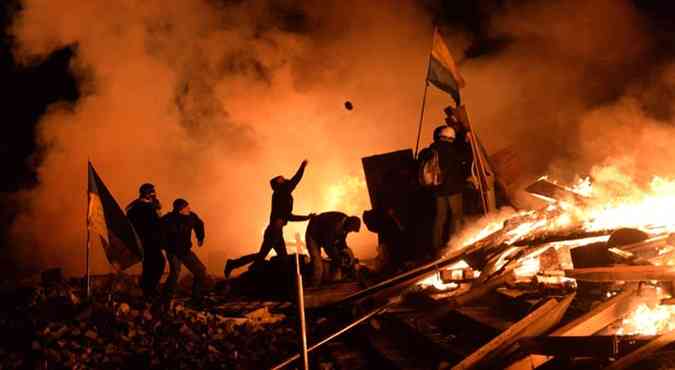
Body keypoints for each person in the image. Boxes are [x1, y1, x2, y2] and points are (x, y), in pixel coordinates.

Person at [224, 160, 313, 278]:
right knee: (262, 256)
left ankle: (280, 282)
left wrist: (306, 217)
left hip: (276, 231)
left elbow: (288, 216)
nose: (285, 178)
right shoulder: (282, 192)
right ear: (279, 184)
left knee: (282, 259)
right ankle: (233, 264)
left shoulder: (282, 194)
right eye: (282, 178)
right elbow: (296, 180)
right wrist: (302, 167)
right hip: (274, 231)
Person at [421, 125, 473, 256]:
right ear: (451, 137)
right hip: (452, 188)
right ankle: (453, 245)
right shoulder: (450, 149)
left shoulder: (432, 149)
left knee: (440, 217)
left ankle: (436, 247)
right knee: (456, 216)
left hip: (437, 189)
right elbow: (465, 159)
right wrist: (467, 143)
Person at [161, 198, 207, 303]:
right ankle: (166, 298)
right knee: (175, 273)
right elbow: (159, 233)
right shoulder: (168, 219)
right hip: (173, 252)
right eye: (186, 207)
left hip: (186, 251)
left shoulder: (191, 217)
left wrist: (200, 237)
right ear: (180, 209)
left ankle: (196, 297)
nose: (189, 208)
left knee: (200, 271)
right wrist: (164, 246)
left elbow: (199, 224)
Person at [126, 183, 165, 299]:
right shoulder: (145, 207)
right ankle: (149, 290)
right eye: (152, 192)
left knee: (149, 266)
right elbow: (156, 224)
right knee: (159, 263)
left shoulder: (135, 206)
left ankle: (147, 290)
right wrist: (156, 209)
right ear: (148, 194)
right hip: (149, 240)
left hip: (143, 240)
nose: (154, 194)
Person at [305, 212, 361, 286]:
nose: (350, 231)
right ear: (349, 224)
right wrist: (338, 259)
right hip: (312, 236)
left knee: (335, 258)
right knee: (318, 264)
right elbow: (328, 246)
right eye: (351, 229)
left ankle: (323, 283)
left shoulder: (345, 223)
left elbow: (341, 241)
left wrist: (346, 251)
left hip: (323, 237)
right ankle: (313, 288)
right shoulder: (335, 224)